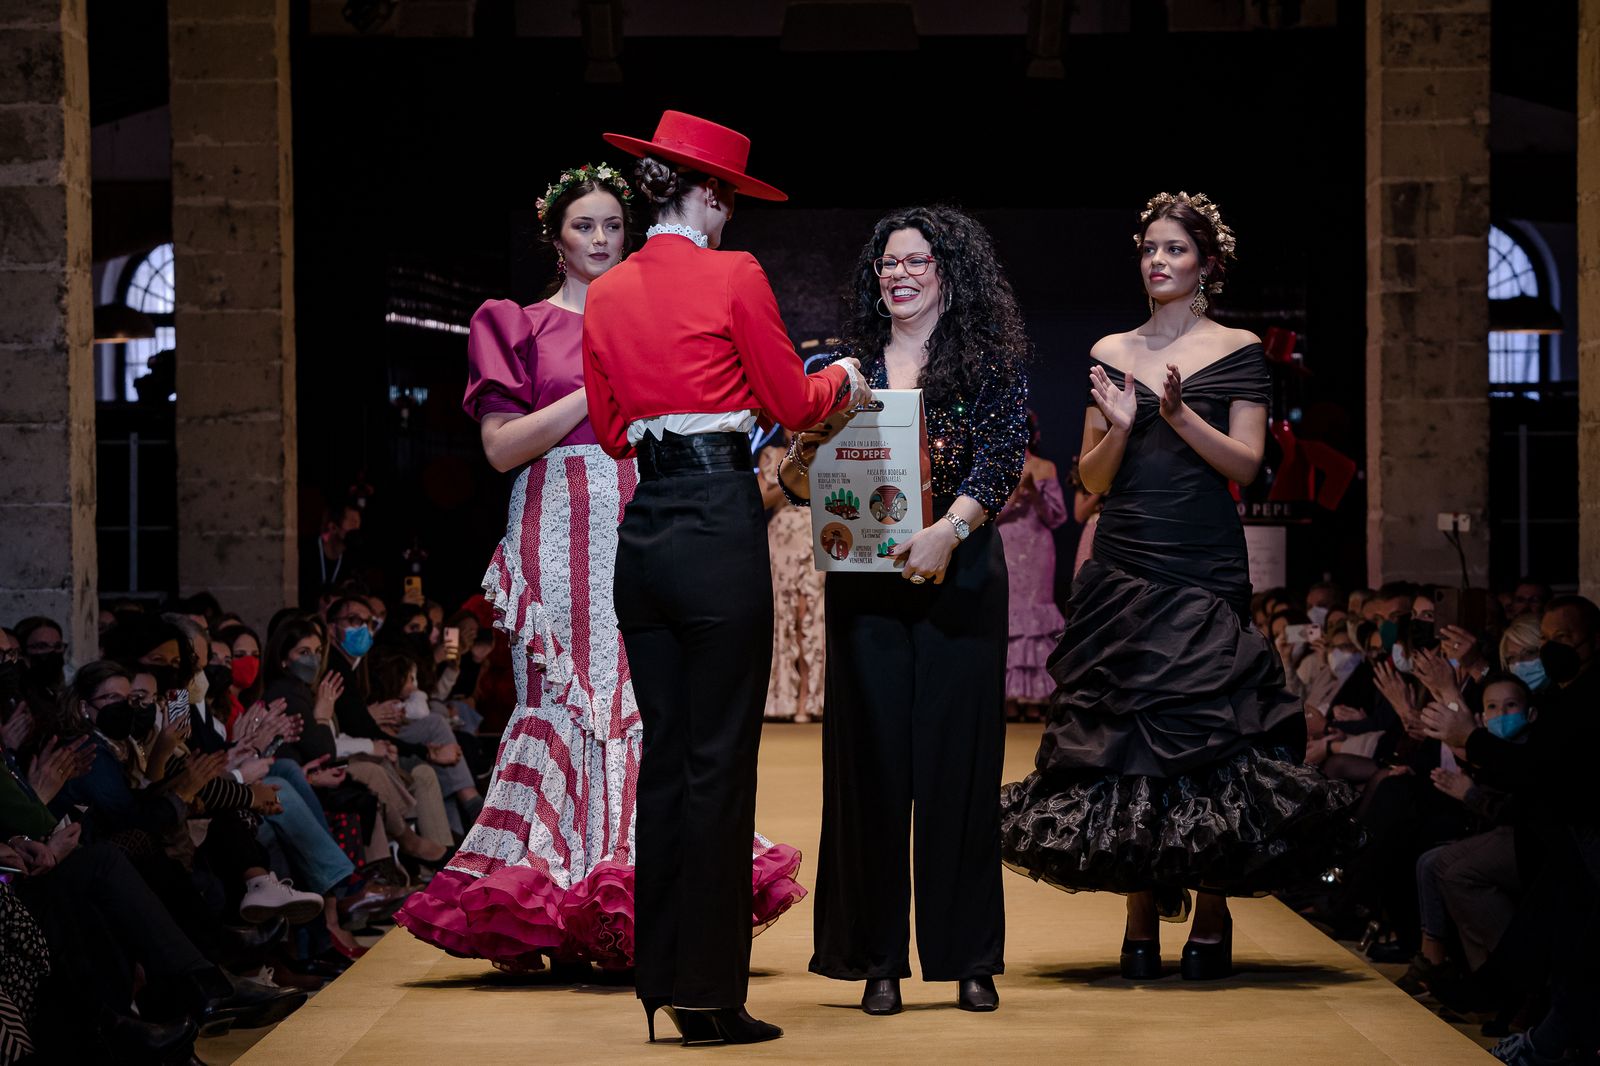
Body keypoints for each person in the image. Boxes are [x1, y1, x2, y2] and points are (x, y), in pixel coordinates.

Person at [398, 156, 816, 1001]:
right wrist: (599, 388)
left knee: (643, 706)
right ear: (555, 238)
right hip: (558, 515)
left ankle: (635, 905)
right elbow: (500, 448)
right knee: (559, 698)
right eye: (583, 226)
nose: (599, 239)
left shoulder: (648, 304)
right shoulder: (513, 321)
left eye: (612, 226)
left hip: (648, 497)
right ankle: (554, 895)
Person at [998, 191, 1357, 981]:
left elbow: (1248, 465)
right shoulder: (1109, 347)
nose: (1158, 261)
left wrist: (1180, 414)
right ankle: (1136, 906)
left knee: (1210, 729)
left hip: (1201, 559)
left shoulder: (1237, 349)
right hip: (1124, 558)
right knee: (1123, 729)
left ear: (1208, 266)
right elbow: (1088, 487)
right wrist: (1123, 427)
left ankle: (1214, 904)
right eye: (1149, 248)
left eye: (1175, 250)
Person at [582, 112, 870, 1045]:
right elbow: (792, 404)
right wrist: (847, 386)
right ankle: (710, 994)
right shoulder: (733, 274)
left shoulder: (609, 291)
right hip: (715, 525)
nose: (734, 217)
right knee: (717, 766)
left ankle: (663, 983)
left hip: (647, 533)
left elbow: (614, 426)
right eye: (732, 200)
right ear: (708, 193)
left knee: (666, 763)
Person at [777, 205, 1026, 1015]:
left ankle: (968, 959)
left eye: (917, 260)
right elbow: (801, 472)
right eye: (888, 263)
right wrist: (804, 454)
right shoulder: (846, 369)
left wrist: (948, 532)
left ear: (950, 271)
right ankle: (876, 957)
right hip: (866, 585)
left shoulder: (991, 360)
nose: (900, 274)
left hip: (959, 575)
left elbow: (999, 457)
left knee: (959, 771)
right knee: (872, 771)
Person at [997, 410, 1067, 718]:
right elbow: (987, 514)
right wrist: (1015, 495)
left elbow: (1058, 516)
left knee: (1036, 612)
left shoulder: (1045, 467)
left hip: (1037, 544)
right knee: (1008, 613)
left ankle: (1038, 696)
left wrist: (1034, 495)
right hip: (1007, 543)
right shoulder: (998, 465)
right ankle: (1009, 696)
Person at [757, 433, 826, 722]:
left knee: (810, 615)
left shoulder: (828, 450)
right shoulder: (772, 454)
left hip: (816, 535)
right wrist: (789, 475)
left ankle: (811, 699)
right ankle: (783, 697)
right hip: (783, 540)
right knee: (784, 616)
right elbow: (761, 498)